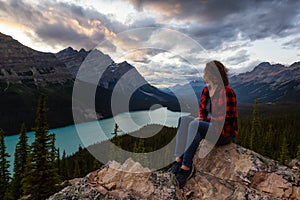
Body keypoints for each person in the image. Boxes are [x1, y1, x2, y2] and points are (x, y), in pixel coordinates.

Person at [171, 60, 238, 188]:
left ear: (212, 74)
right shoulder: (206, 90)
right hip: (208, 127)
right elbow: (202, 112)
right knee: (183, 120)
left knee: (194, 125)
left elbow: (225, 119)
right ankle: (178, 159)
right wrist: (201, 118)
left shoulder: (227, 91)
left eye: (205, 72)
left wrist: (202, 121)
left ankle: (186, 167)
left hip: (223, 132)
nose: (203, 74)